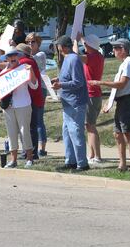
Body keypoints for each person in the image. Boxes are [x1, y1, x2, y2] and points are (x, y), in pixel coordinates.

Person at [0, 47, 37, 168]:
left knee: (24, 131)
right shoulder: (3, 72)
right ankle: (13, 160)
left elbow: (34, 86)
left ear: (18, 57)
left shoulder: (24, 69)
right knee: (11, 133)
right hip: (8, 107)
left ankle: (29, 158)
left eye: (14, 56)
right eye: (10, 56)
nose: (12, 58)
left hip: (23, 104)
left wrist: (31, 71)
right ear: (6, 58)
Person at [90, 38, 130, 172]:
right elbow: (117, 88)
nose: (113, 51)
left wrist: (100, 83)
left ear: (123, 49)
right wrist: (109, 101)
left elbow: (122, 84)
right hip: (121, 101)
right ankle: (122, 164)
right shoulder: (123, 64)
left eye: (115, 48)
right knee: (117, 133)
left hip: (128, 101)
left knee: (128, 133)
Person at [52, 36, 89, 171]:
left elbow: (78, 82)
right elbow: (69, 77)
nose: (58, 49)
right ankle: (70, 161)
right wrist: (58, 79)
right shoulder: (67, 59)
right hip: (67, 103)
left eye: (59, 46)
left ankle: (82, 163)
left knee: (75, 132)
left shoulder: (73, 59)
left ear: (64, 47)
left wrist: (60, 84)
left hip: (75, 103)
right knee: (67, 133)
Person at [78, 33, 105, 164]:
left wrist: (75, 42)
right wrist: (82, 38)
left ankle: (97, 156)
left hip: (91, 94)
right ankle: (92, 154)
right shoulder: (98, 55)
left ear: (89, 45)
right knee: (89, 126)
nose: (84, 45)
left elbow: (75, 56)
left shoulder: (92, 57)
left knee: (90, 126)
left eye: (85, 44)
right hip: (95, 94)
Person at [16, 43, 43, 160]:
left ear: (21, 54)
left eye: (16, 53)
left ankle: (31, 153)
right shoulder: (29, 61)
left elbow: (12, 67)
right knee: (30, 126)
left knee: (29, 126)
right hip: (33, 98)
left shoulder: (25, 62)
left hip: (31, 99)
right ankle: (31, 152)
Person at [26, 33, 49, 156]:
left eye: (33, 42)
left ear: (38, 43)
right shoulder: (28, 55)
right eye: (28, 42)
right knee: (31, 119)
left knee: (39, 118)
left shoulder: (41, 55)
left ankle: (42, 147)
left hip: (41, 88)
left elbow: (29, 61)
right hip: (30, 88)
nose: (30, 44)